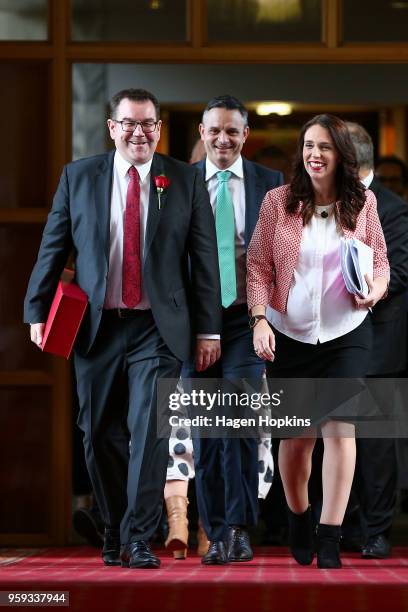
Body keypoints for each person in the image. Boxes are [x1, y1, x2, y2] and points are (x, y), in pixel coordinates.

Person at [24, 88, 222, 570]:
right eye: (130, 124)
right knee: (97, 432)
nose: (140, 133)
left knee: (148, 432)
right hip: (97, 327)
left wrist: (209, 330)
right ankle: (114, 526)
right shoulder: (79, 177)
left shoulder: (182, 179)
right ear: (111, 128)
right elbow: (53, 247)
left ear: (159, 127)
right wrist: (36, 309)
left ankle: (136, 537)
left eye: (149, 124)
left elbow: (204, 258)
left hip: (158, 327)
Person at [247, 113, 389, 569]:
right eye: (309, 145)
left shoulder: (362, 202)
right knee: (298, 439)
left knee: (339, 430)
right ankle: (298, 517)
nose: (314, 154)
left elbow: (381, 262)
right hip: (288, 332)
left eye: (324, 146)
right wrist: (259, 320)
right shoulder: (278, 202)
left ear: (341, 155)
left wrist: (376, 291)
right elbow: (258, 267)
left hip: (347, 331)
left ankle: (329, 534)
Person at [184, 94, 283, 565]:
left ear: (246, 136)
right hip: (196, 325)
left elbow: (281, 256)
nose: (223, 139)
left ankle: (240, 528)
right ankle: (216, 529)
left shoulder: (270, 184)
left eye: (232, 131)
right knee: (207, 430)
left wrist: (270, 317)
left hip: (247, 318)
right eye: (214, 131)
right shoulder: (180, 183)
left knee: (240, 424)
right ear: (203, 134)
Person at [346, 122, 408, 559]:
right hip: (321, 341)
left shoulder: (393, 208)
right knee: (329, 437)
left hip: (376, 340)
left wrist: (372, 287)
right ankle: (337, 525)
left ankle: (376, 530)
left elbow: (401, 271)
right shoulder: (315, 202)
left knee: (375, 443)